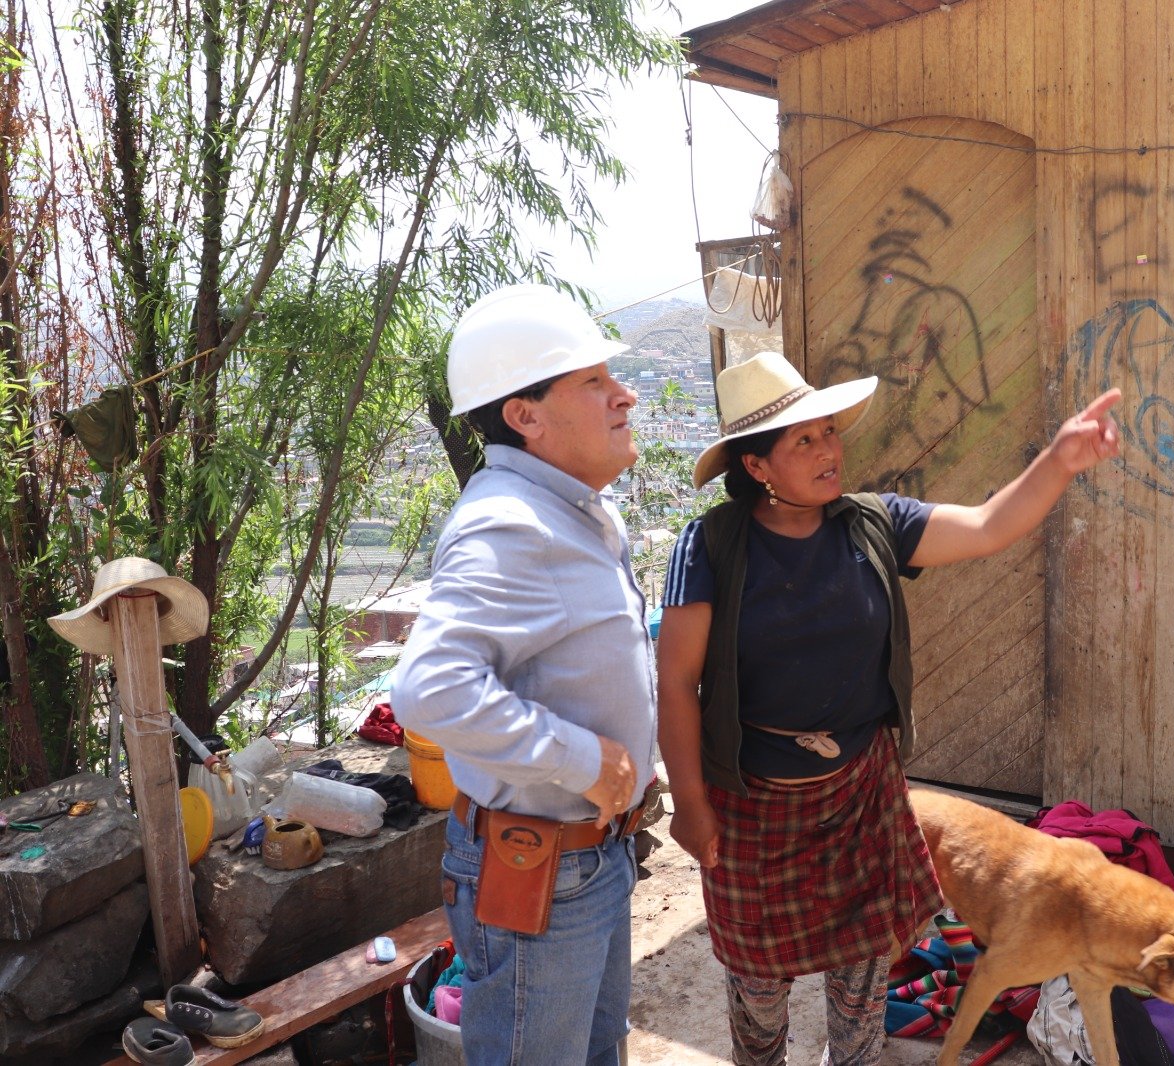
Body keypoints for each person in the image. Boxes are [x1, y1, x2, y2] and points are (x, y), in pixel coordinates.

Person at [656, 351, 1121, 1065]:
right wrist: (690, 801)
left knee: (863, 979)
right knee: (758, 989)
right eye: (802, 440)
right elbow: (676, 678)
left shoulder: (871, 523)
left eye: (828, 432)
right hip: (753, 805)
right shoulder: (713, 546)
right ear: (757, 468)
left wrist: (1059, 461)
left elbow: (990, 525)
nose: (829, 449)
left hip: (860, 794)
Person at [391, 284, 655, 1066]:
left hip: (585, 856)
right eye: (593, 382)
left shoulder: (564, 510)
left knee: (598, 1050)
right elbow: (429, 687)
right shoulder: (510, 523)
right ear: (525, 415)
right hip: (543, 867)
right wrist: (587, 760)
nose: (624, 395)